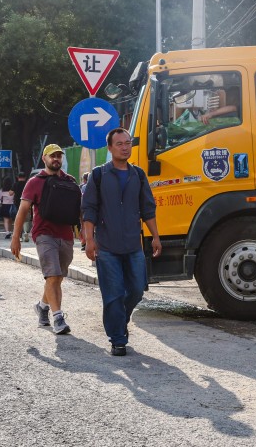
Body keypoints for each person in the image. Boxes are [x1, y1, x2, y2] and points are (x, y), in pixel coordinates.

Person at [82, 127, 161, 355]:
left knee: (136, 290)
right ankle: (117, 338)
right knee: (113, 293)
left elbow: (148, 208)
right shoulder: (98, 175)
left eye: (128, 143)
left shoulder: (138, 174)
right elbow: (89, 210)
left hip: (133, 245)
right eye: (120, 144)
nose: (125, 147)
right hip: (107, 246)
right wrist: (90, 240)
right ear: (110, 148)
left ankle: (120, 320)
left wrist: (155, 236)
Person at [12, 145, 77, 336]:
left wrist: (87, 237)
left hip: (66, 235)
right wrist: (16, 237)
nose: (56, 159)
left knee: (57, 277)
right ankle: (58, 318)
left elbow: (79, 210)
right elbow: (23, 211)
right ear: (44, 158)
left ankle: (42, 307)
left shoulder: (70, 181)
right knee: (53, 275)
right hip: (43, 234)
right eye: (52, 156)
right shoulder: (34, 182)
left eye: (59, 156)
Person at [12, 172, 29, 242]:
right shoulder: (27, 184)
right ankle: (26, 232)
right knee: (26, 219)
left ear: (18, 177)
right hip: (27, 203)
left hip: (17, 204)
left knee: (19, 219)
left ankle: (20, 236)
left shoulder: (15, 184)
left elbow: (10, 193)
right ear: (25, 177)